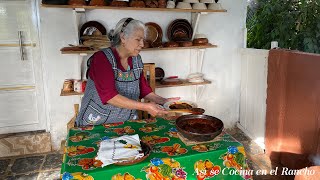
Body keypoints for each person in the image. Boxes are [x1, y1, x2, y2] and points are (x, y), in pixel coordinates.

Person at [76, 17, 179, 126]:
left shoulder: (136, 59)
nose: (142, 44)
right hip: (97, 123)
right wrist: (146, 107)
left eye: (143, 40)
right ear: (123, 37)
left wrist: (164, 101)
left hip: (127, 122)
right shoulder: (102, 59)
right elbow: (110, 97)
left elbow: (144, 90)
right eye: (138, 40)